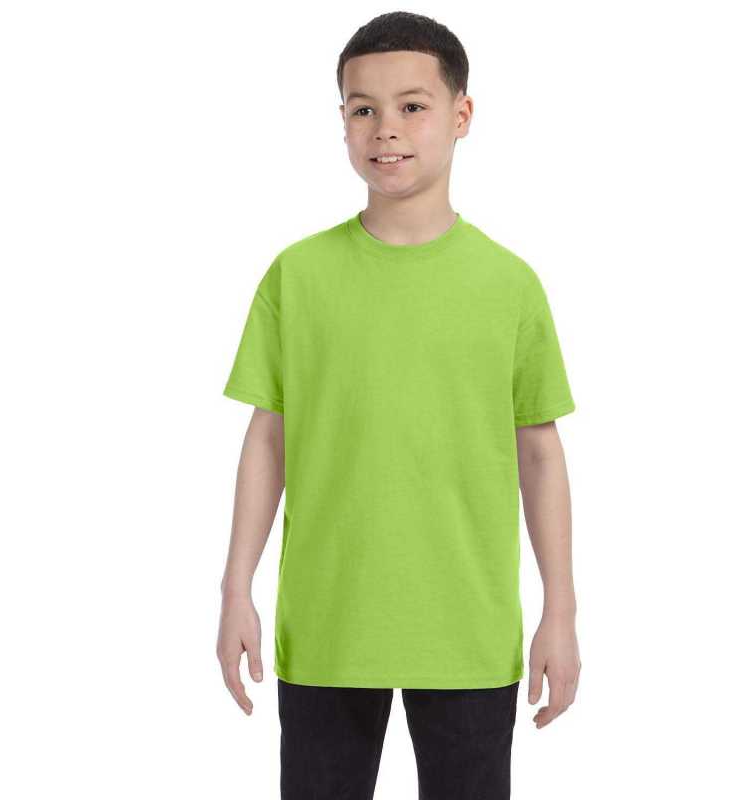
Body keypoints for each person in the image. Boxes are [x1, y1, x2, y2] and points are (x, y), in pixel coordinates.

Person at [216, 10, 581, 799]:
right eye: (363, 109)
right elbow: (269, 438)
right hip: (328, 626)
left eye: (413, 106)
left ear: (461, 115)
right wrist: (234, 588)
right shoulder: (297, 276)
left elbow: (540, 452)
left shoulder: (509, 285)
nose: (386, 129)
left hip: (467, 631)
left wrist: (561, 611)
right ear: (342, 120)